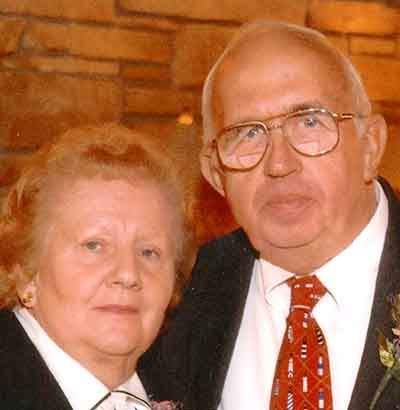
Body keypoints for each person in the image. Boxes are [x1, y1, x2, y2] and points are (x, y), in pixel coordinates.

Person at [138, 21, 400, 410]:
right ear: (216, 174)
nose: (279, 164)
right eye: (247, 133)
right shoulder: (180, 297)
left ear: (370, 146)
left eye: (309, 122)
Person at [0, 123, 196, 409]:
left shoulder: (192, 383)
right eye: (94, 246)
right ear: (26, 272)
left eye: (149, 252)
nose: (128, 274)